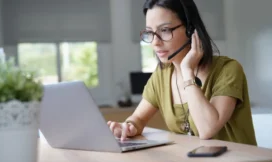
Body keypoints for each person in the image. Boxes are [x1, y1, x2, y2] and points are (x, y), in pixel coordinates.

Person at [107, 0, 257, 145]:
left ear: (190, 29)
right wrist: (128, 126)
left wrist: (187, 71)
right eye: (150, 33)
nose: (155, 42)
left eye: (165, 30)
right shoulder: (162, 75)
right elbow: (138, 118)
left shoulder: (228, 70)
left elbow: (207, 129)